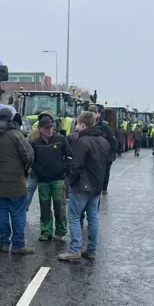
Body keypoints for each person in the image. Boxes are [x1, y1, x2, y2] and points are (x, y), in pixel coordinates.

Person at [0, 108, 35, 254]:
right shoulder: (15, 135)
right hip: (15, 182)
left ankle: (4, 243)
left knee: (2, 213)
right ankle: (18, 245)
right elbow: (28, 155)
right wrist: (24, 170)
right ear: (10, 119)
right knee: (17, 213)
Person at [58, 112, 110, 262]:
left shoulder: (82, 141)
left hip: (81, 185)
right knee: (93, 217)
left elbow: (77, 165)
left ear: (82, 125)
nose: (76, 127)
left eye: (77, 124)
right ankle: (92, 249)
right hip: (96, 185)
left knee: (74, 217)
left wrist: (71, 182)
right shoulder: (103, 141)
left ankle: (74, 250)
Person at [30, 113, 71, 241]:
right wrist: (38, 171)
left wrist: (64, 169)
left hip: (58, 179)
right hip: (43, 181)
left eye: (51, 127)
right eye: (46, 128)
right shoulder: (35, 143)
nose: (50, 130)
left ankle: (60, 230)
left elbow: (69, 156)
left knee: (60, 206)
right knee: (45, 207)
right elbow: (32, 160)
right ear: (40, 129)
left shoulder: (61, 139)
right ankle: (46, 231)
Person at [26, 110, 56, 211]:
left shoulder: (57, 135)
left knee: (48, 197)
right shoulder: (34, 133)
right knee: (29, 190)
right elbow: (26, 147)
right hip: (35, 170)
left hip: (50, 172)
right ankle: (23, 209)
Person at [98, 121, 117, 194]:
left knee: (105, 173)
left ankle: (104, 188)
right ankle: (103, 188)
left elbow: (114, 144)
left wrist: (111, 157)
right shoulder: (107, 131)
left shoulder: (107, 131)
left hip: (106, 157)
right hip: (103, 156)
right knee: (104, 173)